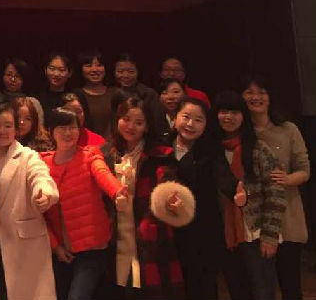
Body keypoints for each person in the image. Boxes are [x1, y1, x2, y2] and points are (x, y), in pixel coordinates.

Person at [102, 94, 193, 299]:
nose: (130, 126)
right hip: (115, 235)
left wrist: (170, 198)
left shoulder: (159, 155)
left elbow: (167, 182)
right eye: (126, 119)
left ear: (147, 126)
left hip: (147, 234)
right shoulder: (106, 154)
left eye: (139, 122)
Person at [40, 108, 126, 300]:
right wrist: (55, 246)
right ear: (51, 131)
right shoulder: (41, 164)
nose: (68, 133)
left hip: (92, 247)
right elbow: (40, 215)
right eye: (62, 128)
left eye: (73, 128)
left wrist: (117, 192)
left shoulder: (90, 155)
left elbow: (103, 175)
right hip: (61, 249)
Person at [0, 104, 59, 300]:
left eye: (8, 126)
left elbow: (40, 176)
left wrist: (44, 193)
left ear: (16, 129)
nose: (2, 131)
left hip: (24, 244)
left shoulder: (27, 156)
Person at [213, 90, 286, 300]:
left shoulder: (258, 149)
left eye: (235, 112)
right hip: (226, 234)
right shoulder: (212, 150)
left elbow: (276, 195)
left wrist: (270, 236)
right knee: (238, 291)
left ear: (244, 116)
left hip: (256, 234)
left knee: (262, 291)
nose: (228, 117)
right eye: (223, 111)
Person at [243, 76, 309, 300]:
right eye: (249, 92)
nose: (255, 97)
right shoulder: (242, 132)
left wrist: (287, 179)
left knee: (290, 284)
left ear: (270, 97)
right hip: (255, 220)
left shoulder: (288, 129)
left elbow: (304, 170)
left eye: (261, 92)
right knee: (261, 287)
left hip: (288, 215)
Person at [170, 97, 242, 300]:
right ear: (175, 118)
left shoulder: (210, 149)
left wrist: (237, 193)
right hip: (169, 228)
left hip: (203, 229)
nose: (190, 124)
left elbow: (224, 175)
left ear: (205, 125)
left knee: (204, 284)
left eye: (198, 120)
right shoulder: (162, 146)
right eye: (186, 117)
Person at [113, 53, 168, 136]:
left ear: (138, 72)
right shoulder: (112, 93)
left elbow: (157, 126)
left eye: (131, 72)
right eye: (120, 71)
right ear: (114, 72)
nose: (125, 75)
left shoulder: (149, 95)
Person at [73, 50, 118, 137]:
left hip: (114, 144)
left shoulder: (115, 93)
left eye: (99, 65)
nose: (94, 69)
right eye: (88, 66)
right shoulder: (75, 95)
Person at [38, 52, 73, 118]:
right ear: (45, 70)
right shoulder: (37, 97)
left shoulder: (75, 96)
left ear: (69, 73)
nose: (56, 74)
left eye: (61, 70)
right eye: (52, 69)